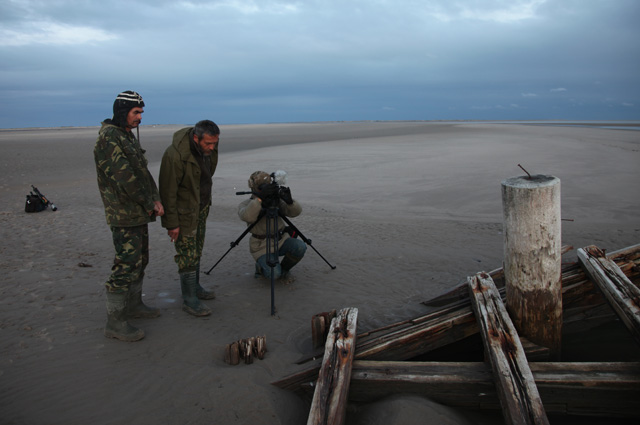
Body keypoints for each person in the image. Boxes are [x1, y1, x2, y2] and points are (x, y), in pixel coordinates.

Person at [94, 90, 164, 342]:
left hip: (138, 212)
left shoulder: (126, 136)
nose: (140, 118)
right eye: (136, 112)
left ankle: (134, 306)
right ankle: (115, 321)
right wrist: (148, 201)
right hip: (124, 213)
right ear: (122, 112)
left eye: (141, 112)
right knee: (125, 265)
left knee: (140, 260)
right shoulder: (109, 138)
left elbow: (143, 173)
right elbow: (126, 179)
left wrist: (154, 199)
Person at [159, 120, 220, 317]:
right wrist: (172, 224)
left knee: (197, 249)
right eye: (208, 143)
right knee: (187, 254)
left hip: (200, 209)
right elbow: (168, 191)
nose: (212, 147)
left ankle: (195, 286)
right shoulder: (175, 155)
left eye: (215, 143)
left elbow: (206, 177)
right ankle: (189, 299)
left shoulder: (210, 150)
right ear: (196, 138)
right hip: (183, 213)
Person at [237, 171, 307, 282]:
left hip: (281, 240)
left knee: (300, 247)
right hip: (261, 246)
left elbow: (295, 213)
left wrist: (289, 202)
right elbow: (248, 216)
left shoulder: (276, 201)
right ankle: (260, 268)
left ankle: (284, 270)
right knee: (273, 275)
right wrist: (259, 199)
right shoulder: (246, 204)